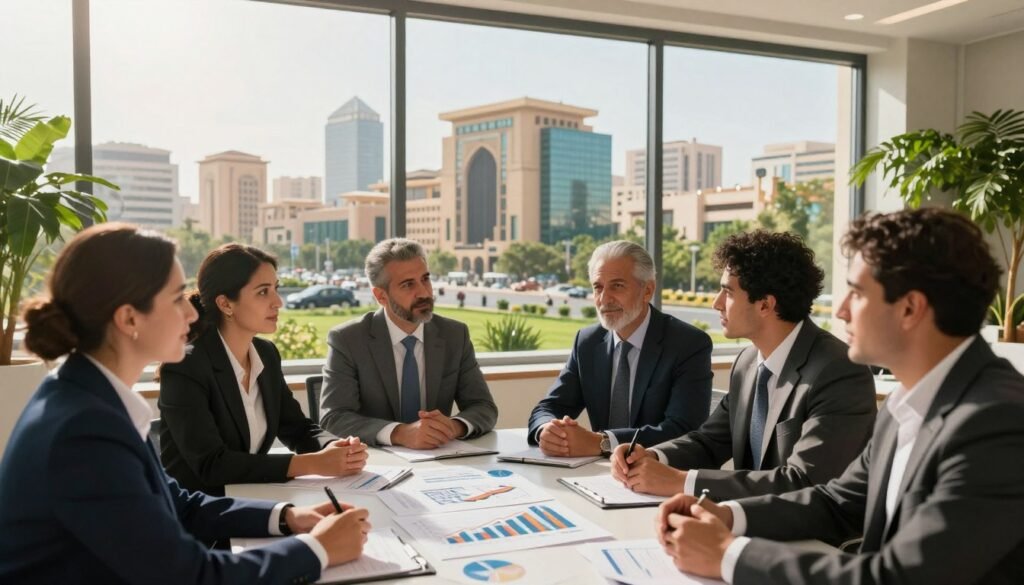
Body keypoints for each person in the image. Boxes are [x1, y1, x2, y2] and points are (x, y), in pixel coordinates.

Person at [658, 208, 1024, 584]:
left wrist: (728, 556)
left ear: (910, 308)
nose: (843, 310)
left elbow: (902, 576)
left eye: (858, 293)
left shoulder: (996, 422)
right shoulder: (906, 403)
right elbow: (837, 502)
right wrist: (728, 515)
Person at [0, 223, 370, 584]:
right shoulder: (84, 429)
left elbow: (180, 503)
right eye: (177, 298)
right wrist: (317, 549)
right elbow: (188, 575)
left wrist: (289, 517)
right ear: (129, 318)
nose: (193, 314)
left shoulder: (93, 398)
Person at [611, 231, 876, 499]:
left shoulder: (839, 371)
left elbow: (804, 482)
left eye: (727, 292)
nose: (716, 303)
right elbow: (710, 441)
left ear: (765, 305)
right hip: (743, 524)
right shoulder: (747, 362)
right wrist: (653, 456)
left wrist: (681, 482)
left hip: (812, 538)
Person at [159, 244, 367, 497]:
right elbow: (212, 465)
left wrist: (335, 446)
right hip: (202, 513)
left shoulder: (266, 354)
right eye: (263, 292)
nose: (278, 302)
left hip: (250, 498)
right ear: (226, 304)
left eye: (276, 289)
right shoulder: (186, 366)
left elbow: (296, 428)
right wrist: (312, 463)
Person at [527, 240, 713, 457]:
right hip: (598, 475)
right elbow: (548, 407)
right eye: (598, 287)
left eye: (617, 285)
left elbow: (682, 430)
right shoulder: (588, 342)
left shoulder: (688, 344)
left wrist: (603, 443)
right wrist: (547, 431)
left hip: (660, 476)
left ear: (647, 290)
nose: (604, 299)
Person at [319, 238, 498, 448]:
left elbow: (483, 407)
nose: (424, 292)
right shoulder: (348, 340)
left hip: (440, 461)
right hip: (377, 466)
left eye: (425, 279)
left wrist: (452, 426)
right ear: (380, 296)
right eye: (408, 284)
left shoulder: (454, 335)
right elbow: (334, 418)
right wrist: (400, 433)